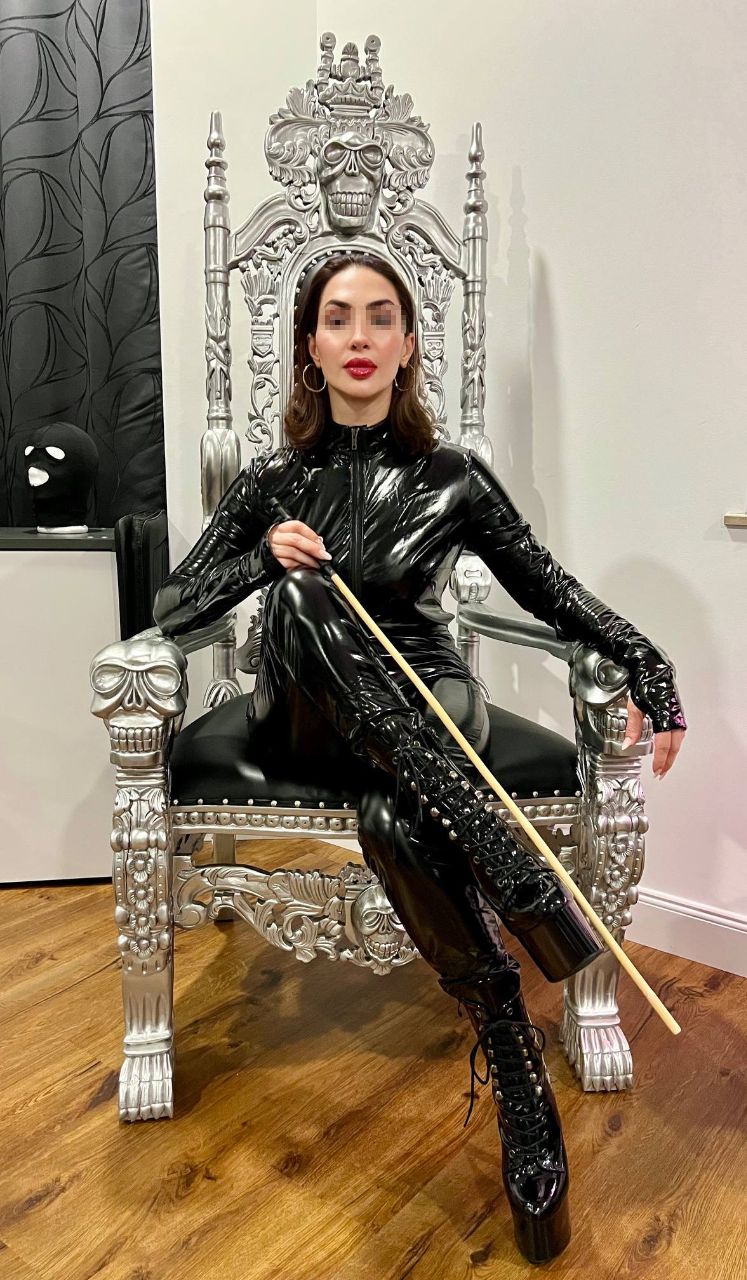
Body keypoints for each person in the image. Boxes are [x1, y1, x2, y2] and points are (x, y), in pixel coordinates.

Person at [153, 250, 686, 1264]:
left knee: (397, 812)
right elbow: (175, 604)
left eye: (379, 317)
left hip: (429, 694)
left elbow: (551, 591)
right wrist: (260, 557)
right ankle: (511, 865)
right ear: (310, 346)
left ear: (406, 344)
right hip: (301, 705)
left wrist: (648, 664)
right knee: (304, 596)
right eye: (337, 318)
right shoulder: (272, 481)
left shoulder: (452, 477)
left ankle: (511, 1049)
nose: (358, 336)